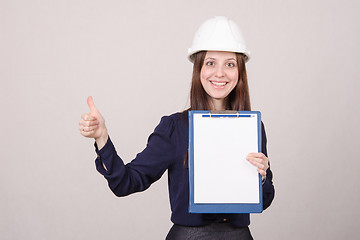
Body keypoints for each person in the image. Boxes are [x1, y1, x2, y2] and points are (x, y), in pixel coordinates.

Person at [79, 16, 275, 240]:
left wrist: (260, 177)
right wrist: (102, 138)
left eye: (229, 64)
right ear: (199, 68)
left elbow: (265, 199)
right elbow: (125, 183)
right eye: (211, 63)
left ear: (239, 71)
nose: (220, 73)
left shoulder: (252, 128)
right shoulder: (175, 128)